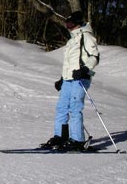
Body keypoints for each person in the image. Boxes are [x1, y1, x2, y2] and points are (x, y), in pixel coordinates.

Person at [42, 11, 100, 150]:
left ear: (78, 23)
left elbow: (95, 56)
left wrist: (85, 69)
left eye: (71, 24)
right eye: (67, 24)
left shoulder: (86, 37)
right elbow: (69, 63)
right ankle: (60, 136)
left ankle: (77, 139)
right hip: (68, 79)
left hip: (80, 78)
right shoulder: (71, 40)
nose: (68, 27)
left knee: (75, 107)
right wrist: (62, 79)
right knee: (62, 107)